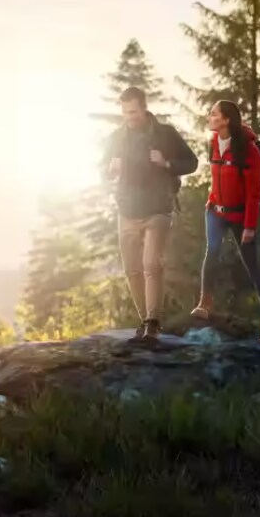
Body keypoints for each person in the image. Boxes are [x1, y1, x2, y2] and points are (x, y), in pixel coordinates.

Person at [103, 86, 197, 345]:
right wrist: (111, 170)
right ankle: (145, 321)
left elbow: (192, 162)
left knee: (151, 264)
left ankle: (153, 323)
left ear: (144, 107)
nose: (129, 117)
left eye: (133, 111)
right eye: (125, 112)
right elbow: (102, 171)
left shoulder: (165, 134)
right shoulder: (116, 138)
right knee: (132, 269)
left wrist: (167, 163)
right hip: (127, 211)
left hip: (158, 208)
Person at [190, 99, 260, 344]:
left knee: (252, 266)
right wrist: (212, 201)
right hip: (215, 212)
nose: (209, 117)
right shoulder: (213, 143)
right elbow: (216, 178)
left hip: (240, 216)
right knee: (212, 251)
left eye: (214, 114)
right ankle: (204, 303)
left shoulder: (250, 151)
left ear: (226, 119)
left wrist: (250, 225)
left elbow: (254, 193)